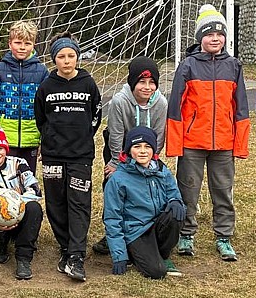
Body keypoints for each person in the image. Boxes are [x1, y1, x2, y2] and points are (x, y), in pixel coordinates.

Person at [165, 5, 250, 262]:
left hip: (224, 143)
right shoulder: (187, 66)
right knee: (188, 190)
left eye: (219, 34)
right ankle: (186, 234)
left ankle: (223, 236)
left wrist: (240, 144)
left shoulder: (233, 66)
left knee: (223, 190)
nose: (215, 38)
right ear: (200, 37)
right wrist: (175, 145)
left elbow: (241, 108)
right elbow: (175, 107)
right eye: (209, 34)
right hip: (192, 143)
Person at [34, 33, 102, 282]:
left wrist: (82, 136)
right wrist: (50, 139)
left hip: (80, 157)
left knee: (79, 203)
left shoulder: (88, 83)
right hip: (53, 156)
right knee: (56, 203)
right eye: (61, 56)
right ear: (54, 59)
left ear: (77, 57)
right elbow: (41, 118)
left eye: (71, 56)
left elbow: (96, 115)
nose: (66, 60)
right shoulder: (46, 86)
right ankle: (65, 247)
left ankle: (76, 255)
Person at [92, 55, 168, 255]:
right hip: (120, 150)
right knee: (115, 187)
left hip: (148, 152)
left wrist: (152, 159)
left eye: (151, 83)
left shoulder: (161, 103)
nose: (147, 87)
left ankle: (144, 232)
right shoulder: (119, 101)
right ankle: (112, 234)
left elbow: (159, 134)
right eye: (142, 82)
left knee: (145, 189)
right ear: (133, 82)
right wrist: (116, 162)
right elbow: (116, 134)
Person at [102, 126, 186, 279]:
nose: (142, 151)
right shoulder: (117, 179)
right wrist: (119, 256)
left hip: (157, 225)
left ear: (153, 150)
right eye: (137, 146)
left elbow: (174, 194)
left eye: (147, 146)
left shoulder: (162, 171)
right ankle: (134, 253)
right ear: (128, 150)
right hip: (136, 232)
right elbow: (112, 218)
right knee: (157, 272)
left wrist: (175, 201)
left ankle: (163, 254)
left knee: (176, 213)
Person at [0, 121, 44, 280]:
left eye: (0, 149)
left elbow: (35, 190)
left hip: (22, 213)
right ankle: (1, 246)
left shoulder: (19, 164)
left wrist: (14, 202)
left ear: (6, 149)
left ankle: (23, 257)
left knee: (34, 208)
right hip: (0, 221)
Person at [0, 20, 48, 172]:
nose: (22, 47)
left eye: (27, 43)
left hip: (31, 138)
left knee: (26, 179)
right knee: (2, 180)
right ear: (10, 44)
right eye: (18, 42)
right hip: (3, 141)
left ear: (34, 45)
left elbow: (46, 109)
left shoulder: (42, 72)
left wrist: (45, 138)